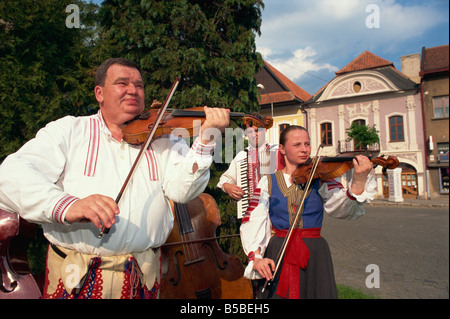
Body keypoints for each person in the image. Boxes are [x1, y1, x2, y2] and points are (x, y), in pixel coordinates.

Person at [0, 58, 230, 299]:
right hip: (76, 280)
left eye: (139, 85)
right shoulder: (69, 131)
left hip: (140, 280)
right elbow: (10, 175)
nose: (133, 90)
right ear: (99, 93)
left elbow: (182, 192)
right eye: (122, 83)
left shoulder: (166, 139)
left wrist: (206, 140)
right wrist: (68, 204)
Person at [239, 125, 376, 299]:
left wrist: (358, 182)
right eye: (297, 145)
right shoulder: (268, 182)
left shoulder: (322, 178)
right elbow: (254, 220)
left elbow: (342, 209)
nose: (304, 149)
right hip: (279, 250)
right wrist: (256, 257)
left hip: (315, 252)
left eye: (307, 144)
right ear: (282, 149)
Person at [217, 125, 278, 217]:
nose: (253, 135)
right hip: (251, 214)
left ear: (265, 131)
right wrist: (226, 186)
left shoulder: (277, 151)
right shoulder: (242, 156)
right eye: (250, 132)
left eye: (257, 131)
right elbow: (225, 178)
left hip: (276, 212)